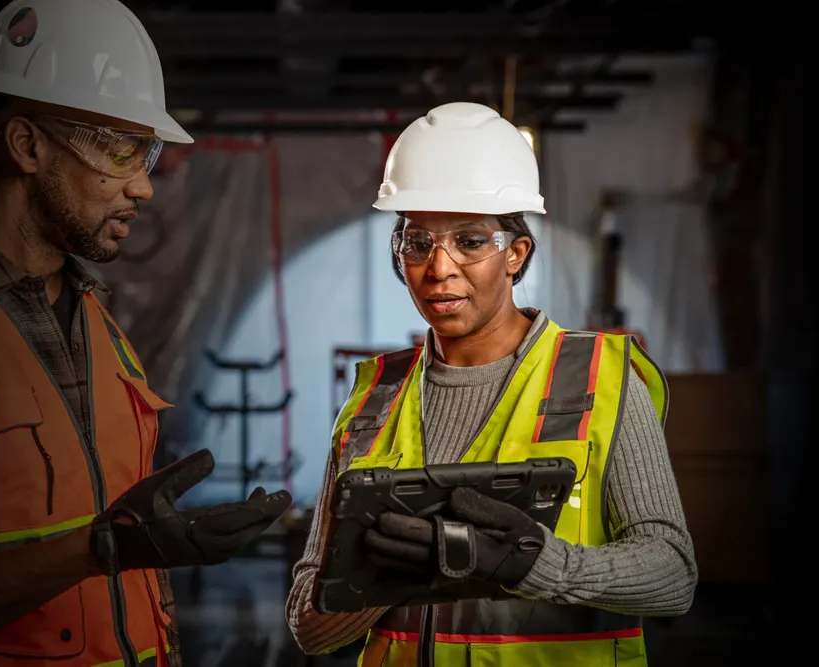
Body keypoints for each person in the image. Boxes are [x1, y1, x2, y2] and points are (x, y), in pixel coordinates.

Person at [0, 1, 292, 666]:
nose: (145, 186)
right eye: (120, 149)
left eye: (149, 152)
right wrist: (103, 547)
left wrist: (152, 546)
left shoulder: (99, 325)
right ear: (26, 145)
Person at [285, 101, 698, 665]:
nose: (439, 268)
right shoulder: (373, 400)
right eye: (416, 241)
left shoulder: (601, 379)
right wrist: (387, 576)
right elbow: (308, 627)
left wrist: (532, 565)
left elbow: (672, 575)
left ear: (516, 254)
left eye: (471, 241)